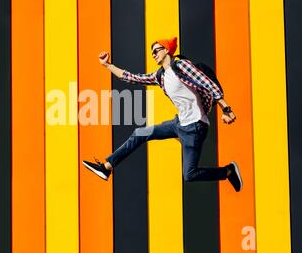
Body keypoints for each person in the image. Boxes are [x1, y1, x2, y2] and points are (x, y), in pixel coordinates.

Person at [82, 37, 243, 192]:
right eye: (151, 52)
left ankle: (228, 171)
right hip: (179, 124)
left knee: (189, 175)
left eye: (156, 50)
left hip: (195, 126)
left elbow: (208, 84)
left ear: (166, 50)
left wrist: (226, 109)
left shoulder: (181, 66)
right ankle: (106, 168)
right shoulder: (160, 76)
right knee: (140, 133)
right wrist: (107, 65)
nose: (153, 54)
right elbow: (132, 78)